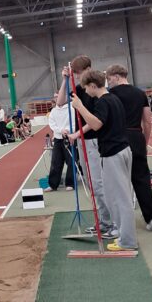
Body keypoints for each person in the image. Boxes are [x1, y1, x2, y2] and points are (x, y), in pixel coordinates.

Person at [71, 69, 137, 251]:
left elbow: (95, 124)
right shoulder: (113, 99)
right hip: (120, 150)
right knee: (116, 196)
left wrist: (80, 107)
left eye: (86, 88)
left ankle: (127, 241)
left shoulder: (104, 102)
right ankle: (124, 236)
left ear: (93, 85)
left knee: (120, 198)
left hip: (114, 153)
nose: (85, 92)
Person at [57, 55, 112, 236]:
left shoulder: (96, 90)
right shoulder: (80, 89)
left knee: (97, 183)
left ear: (88, 69)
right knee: (90, 183)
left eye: (79, 73)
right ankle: (103, 221)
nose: (78, 77)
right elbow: (60, 102)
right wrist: (65, 80)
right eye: (75, 74)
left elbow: (96, 120)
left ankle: (109, 222)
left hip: (94, 140)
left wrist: (77, 133)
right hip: (83, 140)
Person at [105, 65, 152, 232]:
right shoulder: (140, 93)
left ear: (116, 76)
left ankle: (121, 222)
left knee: (118, 182)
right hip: (136, 136)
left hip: (117, 139)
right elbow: (147, 121)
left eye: (109, 79)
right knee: (142, 179)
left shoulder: (110, 95)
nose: (108, 82)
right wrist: (144, 141)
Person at [45, 96, 74, 192]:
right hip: (58, 139)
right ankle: (53, 185)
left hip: (69, 137)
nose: (56, 99)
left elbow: (73, 123)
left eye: (58, 97)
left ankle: (70, 183)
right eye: (55, 98)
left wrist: (68, 130)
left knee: (71, 161)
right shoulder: (53, 111)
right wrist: (60, 130)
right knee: (55, 161)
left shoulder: (71, 109)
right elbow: (52, 124)